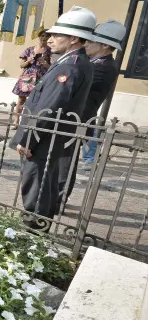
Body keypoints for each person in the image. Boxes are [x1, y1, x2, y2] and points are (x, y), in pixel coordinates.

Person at [11, 6, 95, 225]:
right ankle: (40, 226)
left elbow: (49, 106)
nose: (50, 39)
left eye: (57, 35)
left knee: (36, 187)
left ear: (75, 38)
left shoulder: (70, 67)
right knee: (43, 185)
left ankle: (33, 232)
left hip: (43, 138)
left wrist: (28, 138)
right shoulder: (70, 62)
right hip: (49, 137)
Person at [56, 19, 125, 206]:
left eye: (91, 41)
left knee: (65, 163)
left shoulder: (103, 67)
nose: (86, 44)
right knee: (62, 160)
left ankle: (59, 198)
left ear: (104, 45)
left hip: (78, 120)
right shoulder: (95, 63)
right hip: (73, 120)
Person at [12, 29, 52, 123]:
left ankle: (29, 121)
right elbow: (21, 65)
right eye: (42, 36)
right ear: (39, 37)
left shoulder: (51, 51)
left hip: (41, 78)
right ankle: (16, 121)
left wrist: (45, 63)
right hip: (27, 76)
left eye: (46, 36)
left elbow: (53, 67)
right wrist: (28, 61)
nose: (44, 38)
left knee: (35, 101)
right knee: (21, 99)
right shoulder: (29, 49)